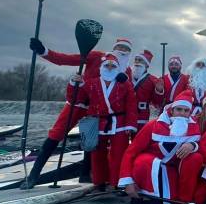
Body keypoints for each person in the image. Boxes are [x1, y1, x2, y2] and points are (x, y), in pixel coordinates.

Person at [24, 37, 133, 185]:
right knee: (56, 134)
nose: (123, 51)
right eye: (120, 47)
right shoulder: (96, 57)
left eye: (126, 49)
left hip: (98, 109)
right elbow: (67, 59)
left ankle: (85, 176)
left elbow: (128, 92)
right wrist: (44, 51)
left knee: (91, 141)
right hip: (78, 102)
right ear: (114, 48)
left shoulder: (127, 70)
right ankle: (33, 175)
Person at [117, 90, 205, 204]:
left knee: (196, 158)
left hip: (174, 169)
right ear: (172, 110)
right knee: (142, 161)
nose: (182, 114)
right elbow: (131, 152)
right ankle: (138, 195)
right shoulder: (153, 125)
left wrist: (192, 145)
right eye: (179, 109)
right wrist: (127, 180)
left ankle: (183, 200)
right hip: (151, 167)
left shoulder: (194, 126)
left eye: (186, 111)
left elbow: (202, 144)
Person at [132, 50, 164, 132]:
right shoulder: (126, 77)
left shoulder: (153, 80)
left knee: (139, 139)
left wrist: (159, 91)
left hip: (142, 114)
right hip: (126, 114)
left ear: (147, 65)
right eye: (136, 59)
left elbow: (157, 102)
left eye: (140, 60)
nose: (137, 62)